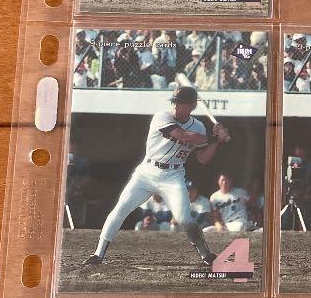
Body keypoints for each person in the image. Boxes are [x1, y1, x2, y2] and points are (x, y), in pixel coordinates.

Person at [81, 86, 230, 268]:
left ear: (192, 106)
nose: (176, 106)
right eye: (174, 102)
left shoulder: (198, 127)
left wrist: (217, 141)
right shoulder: (162, 116)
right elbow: (183, 136)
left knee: (184, 219)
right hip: (146, 173)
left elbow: (203, 158)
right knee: (120, 209)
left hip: (173, 175)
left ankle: (206, 255)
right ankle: (98, 254)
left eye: (181, 103)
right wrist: (214, 137)